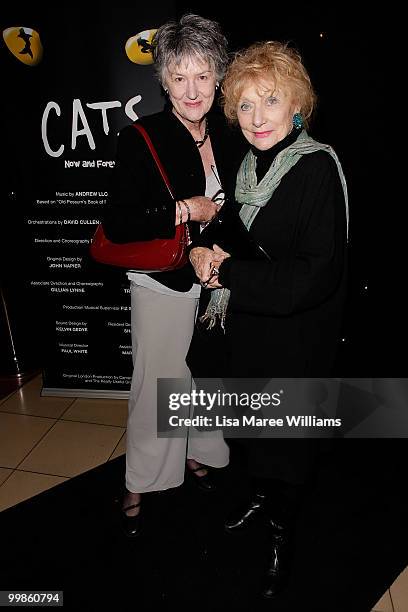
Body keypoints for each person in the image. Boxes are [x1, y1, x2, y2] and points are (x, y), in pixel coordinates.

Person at [188, 41, 348, 598]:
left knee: (288, 440)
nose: (257, 118)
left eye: (270, 101)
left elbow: (314, 275)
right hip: (250, 331)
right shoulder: (248, 165)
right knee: (256, 432)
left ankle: (284, 528)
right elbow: (231, 229)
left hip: (296, 337)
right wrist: (201, 253)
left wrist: (230, 276)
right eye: (246, 104)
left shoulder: (315, 169)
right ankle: (261, 496)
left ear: (296, 105)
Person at [102, 14, 245, 537]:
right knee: (155, 383)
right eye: (180, 77)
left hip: (215, 281)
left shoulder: (231, 135)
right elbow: (119, 220)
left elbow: (237, 209)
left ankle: (199, 453)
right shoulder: (142, 137)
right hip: (162, 282)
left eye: (203, 76)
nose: (192, 90)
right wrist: (188, 209)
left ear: (218, 78)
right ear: (163, 78)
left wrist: (219, 247)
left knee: (202, 377)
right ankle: (139, 481)